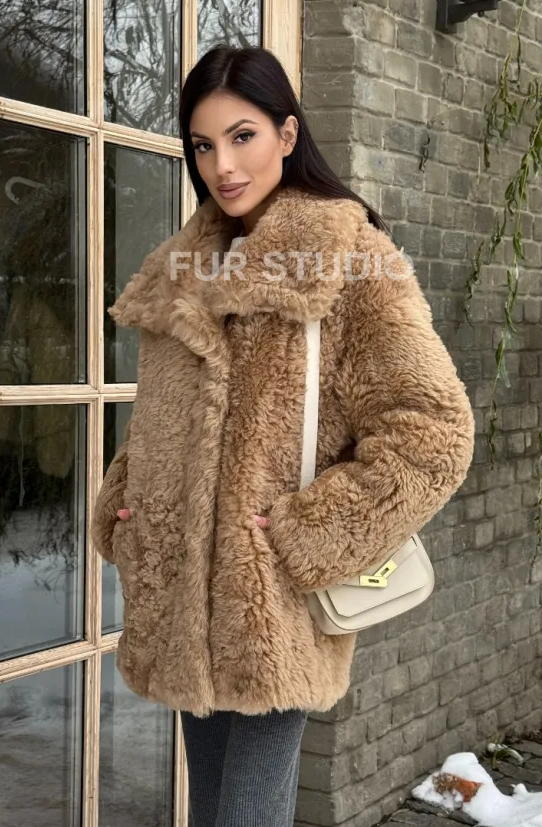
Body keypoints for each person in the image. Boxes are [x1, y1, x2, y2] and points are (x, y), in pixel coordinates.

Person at [92, 45, 475, 827]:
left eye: (243, 136)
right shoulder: (183, 267)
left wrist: (311, 532)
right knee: (213, 811)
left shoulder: (349, 259)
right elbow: (162, 416)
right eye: (203, 145)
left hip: (273, 603)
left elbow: (434, 429)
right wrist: (128, 500)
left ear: (288, 133)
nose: (222, 166)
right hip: (181, 599)